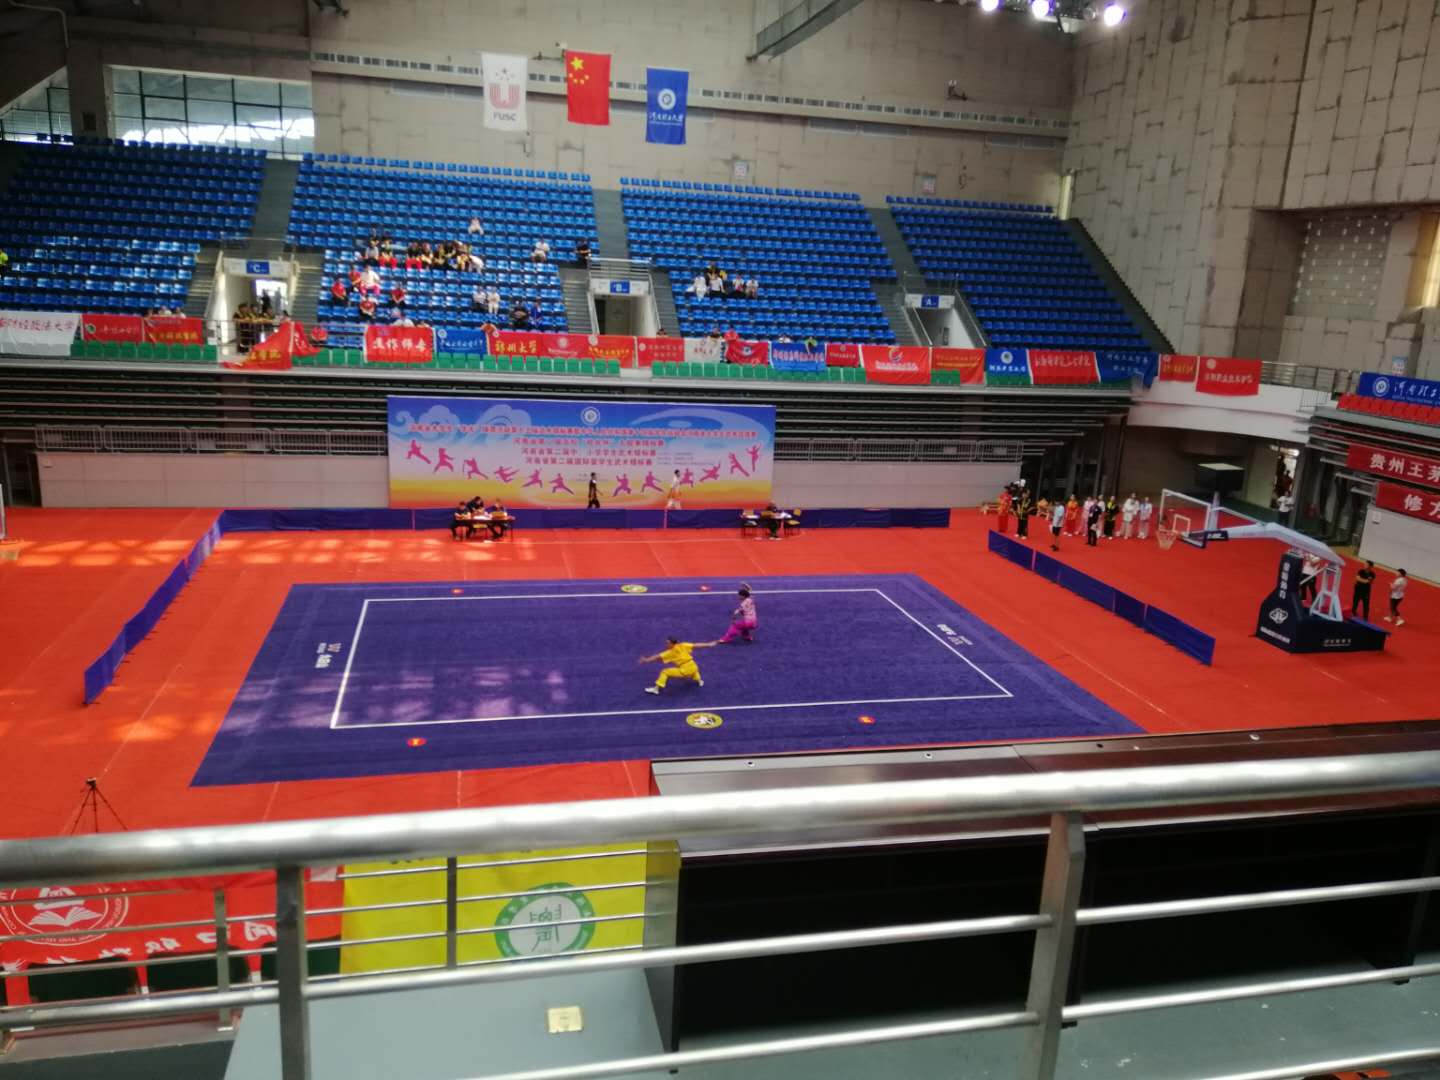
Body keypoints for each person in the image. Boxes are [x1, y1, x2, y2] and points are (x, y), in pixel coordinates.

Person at [640, 636, 716, 694]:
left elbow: (657, 657)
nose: (666, 644)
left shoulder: (670, 652)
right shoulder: (683, 645)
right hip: (694, 666)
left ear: (672, 644)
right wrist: (709, 644)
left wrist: (646, 660)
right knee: (694, 671)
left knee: (664, 671)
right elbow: (696, 645)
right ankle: (700, 681)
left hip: (685, 670)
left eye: (668, 643)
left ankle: (656, 689)